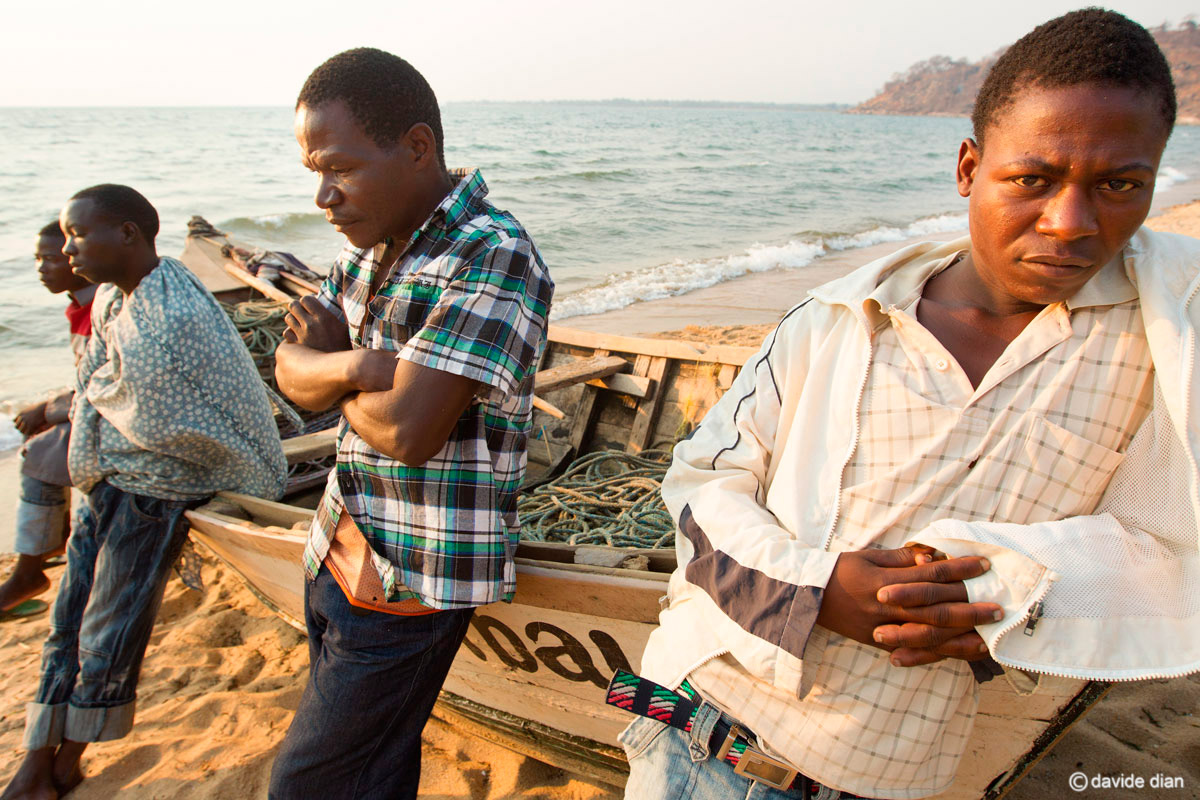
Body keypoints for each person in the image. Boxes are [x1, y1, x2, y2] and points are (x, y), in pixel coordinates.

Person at [617, 10, 1200, 800]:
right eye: (1032, 179)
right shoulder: (838, 318)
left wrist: (1010, 601)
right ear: (968, 168)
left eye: (1119, 186)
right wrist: (817, 589)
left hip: (893, 775)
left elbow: (1164, 547)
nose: (1070, 223)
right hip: (705, 735)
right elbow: (701, 486)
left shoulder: (1166, 341)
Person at [268, 49, 553, 800]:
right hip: (336, 545)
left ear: (418, 147)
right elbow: (290, 373)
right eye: (314, 174)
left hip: (410, 583)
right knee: (374, 772)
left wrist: (332, 364)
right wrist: (361, 368)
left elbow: (408, 432)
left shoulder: (493, 252)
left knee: (306, 784)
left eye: (340, 169)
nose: (325, 196)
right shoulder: (365, 250)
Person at [2, 184, 287, 800]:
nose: (69, 248)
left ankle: (65, 758)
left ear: (128, 234)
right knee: (67, 617)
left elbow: (159, 419)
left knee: (108, 627)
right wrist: (95, 403)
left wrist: (90, 401)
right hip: (111, 480)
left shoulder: (173, 314)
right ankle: (36, 755)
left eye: (78, 234)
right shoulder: (111, 297)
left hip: (157, 493)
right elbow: (105, 385)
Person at [1, 223, 97, 615]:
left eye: (52, 258)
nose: (42, 268)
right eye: (39, 259)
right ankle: (47, 542)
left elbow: (100, 391)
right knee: (44, 431)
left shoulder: (101, 306)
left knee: (39, 448)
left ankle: (29, 568)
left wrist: (49, 409)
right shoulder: (81, 303)